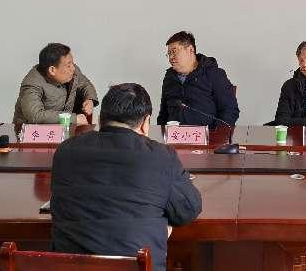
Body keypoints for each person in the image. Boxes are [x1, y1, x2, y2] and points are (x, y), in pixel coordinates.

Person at [51, 83, 202, 271]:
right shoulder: (161, 156)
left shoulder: (65, 151)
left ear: (100, 118)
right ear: (146, 122)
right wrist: (159, 224)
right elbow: (187, 210)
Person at [156, 31, 239, 128]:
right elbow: (163, 114)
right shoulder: (169, 77)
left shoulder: (214, 74)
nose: (171, 57)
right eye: (169, 54)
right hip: (174, 135)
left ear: (190, 50)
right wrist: (162, 132)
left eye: (174, 52)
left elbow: (230, 111)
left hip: (208, 136)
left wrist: (216, 134)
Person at [13, 43, 97, 129]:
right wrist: (73, 118)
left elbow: (85, 84)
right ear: (52, 70)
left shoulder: (72, 71)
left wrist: (89, 99)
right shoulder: (32, 84)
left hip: (62, 129)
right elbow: (36, 115)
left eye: (72, 63)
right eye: (68, 65)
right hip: (32, 132)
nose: (73, 68)